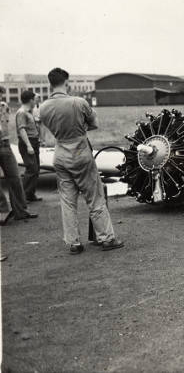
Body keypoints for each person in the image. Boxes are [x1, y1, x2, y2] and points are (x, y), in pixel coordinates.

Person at [40, 68, 124, 254]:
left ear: (50, 84)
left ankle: (74, 243)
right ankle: (106, 238)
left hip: (60, 153)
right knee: (94, 197)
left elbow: (49, 129)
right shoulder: (79, 102)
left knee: (68, 201)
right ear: (66, 82)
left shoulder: (44, 107)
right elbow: (95, 123)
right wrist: (80, 127)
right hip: (80, 152)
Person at [0, 98, 38, 225]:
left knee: (15, 178)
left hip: (5, 144)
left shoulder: (4, 106)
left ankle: (20, 211)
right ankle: (3, 209)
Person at [16, 90, 42, 202]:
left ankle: (30, 194)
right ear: (31, 100)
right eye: (34, 99)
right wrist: (28, 145)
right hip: (27, 143)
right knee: (31, 169)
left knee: (36, 169)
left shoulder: (29, 112)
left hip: (34, 141)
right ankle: (21, 196)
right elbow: (22, 130)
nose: (36, 100)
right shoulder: (21, 112)